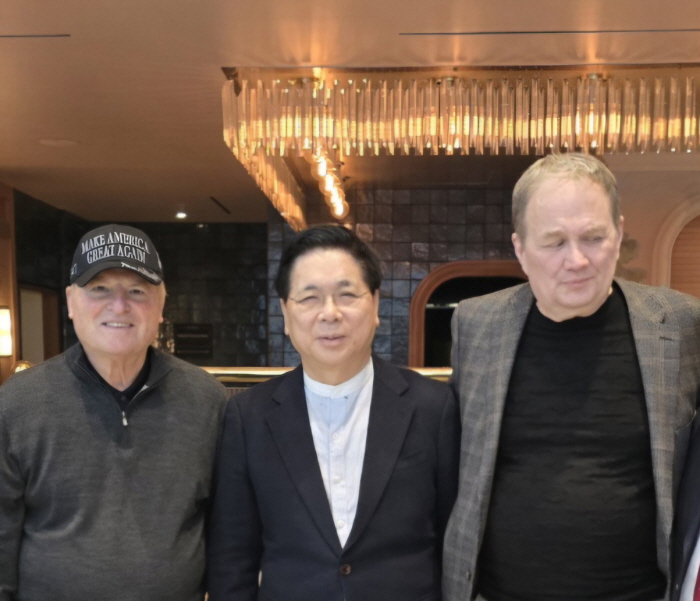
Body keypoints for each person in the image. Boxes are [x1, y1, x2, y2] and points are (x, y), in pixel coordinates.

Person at [442, 153, 700, 601]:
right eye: (554, 242)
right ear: (521, 248)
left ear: (618, 234)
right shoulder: (476, 324)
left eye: (593, 238)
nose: (577, 260)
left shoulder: (681, 324)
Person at [207, 224, 460, 601]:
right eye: (309, 298)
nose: (330, 313)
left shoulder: (433, 407)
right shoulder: (248, 417)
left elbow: (455, 542)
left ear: (375, 304)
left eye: (347, 294)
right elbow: (233, 557)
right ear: (285, 313)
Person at [0, 224, 227, 601]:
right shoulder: (17, 402)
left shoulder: (208, 401)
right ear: (71, 301)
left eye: (137, 291)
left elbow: (227, 533)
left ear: (161, 304)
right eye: (99, 289)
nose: (119, 306)